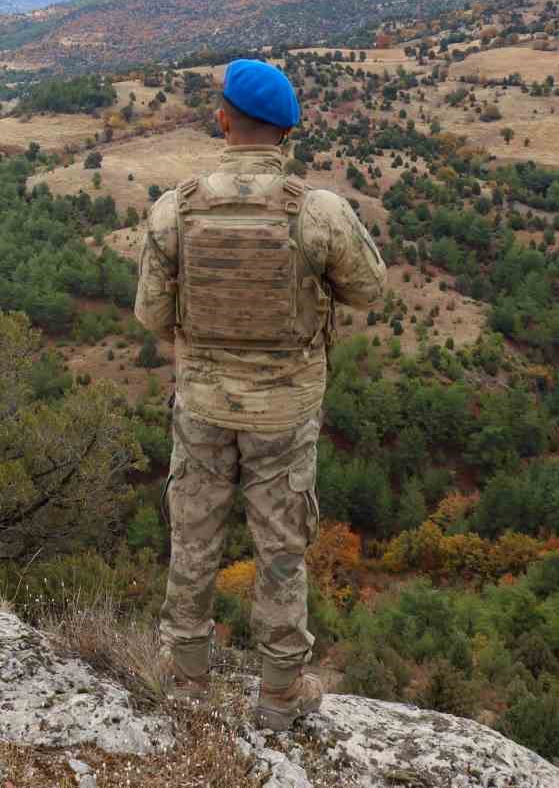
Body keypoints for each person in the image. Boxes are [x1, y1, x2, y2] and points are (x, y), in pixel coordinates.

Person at [135, 59, 386, 729]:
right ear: (287, 134)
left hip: (203, 405)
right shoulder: (319, 211)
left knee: (193, 536)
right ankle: (278, 695)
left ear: (223, 120)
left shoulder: (176, 208)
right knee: (279, 551)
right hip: (285, 411)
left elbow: (151, 317)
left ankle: (185, 681)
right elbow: (369, 289)